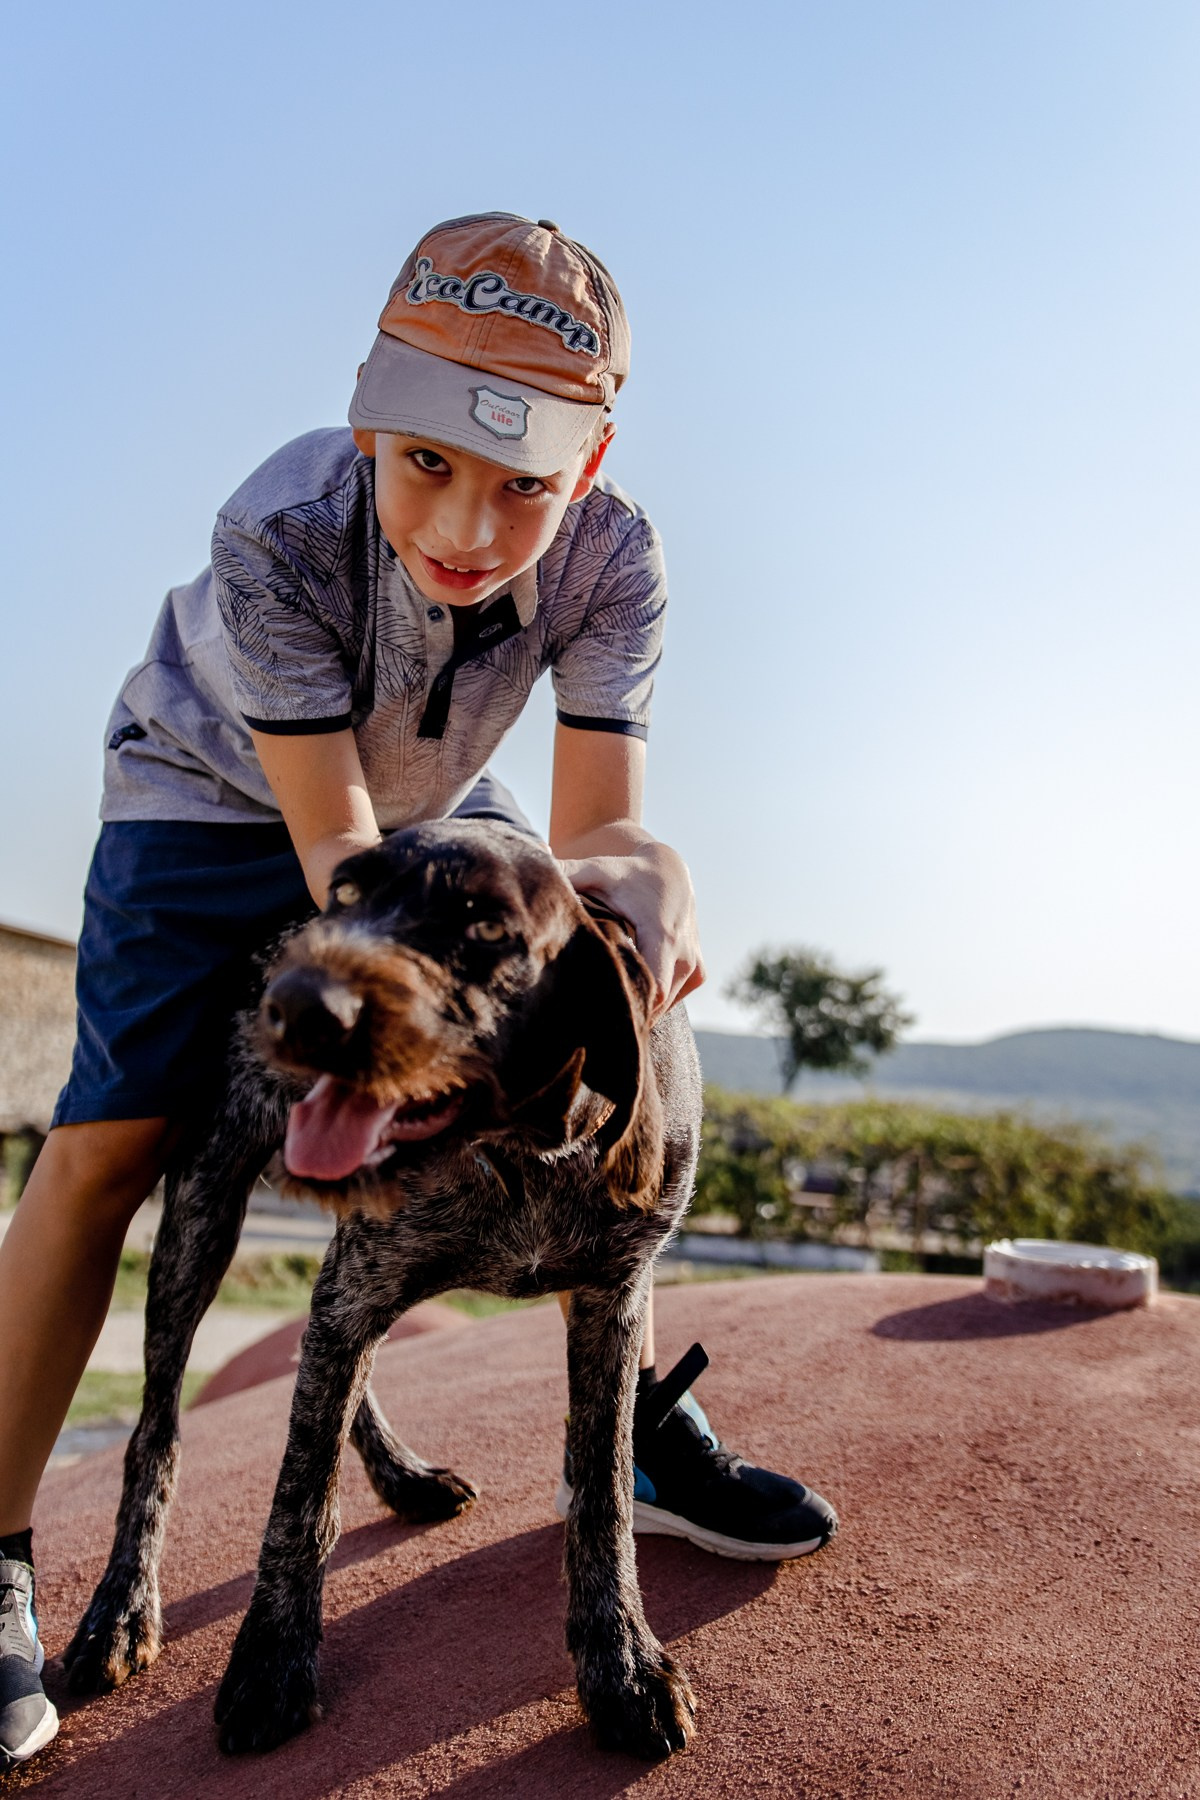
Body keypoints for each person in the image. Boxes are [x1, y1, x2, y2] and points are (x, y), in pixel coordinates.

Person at [0, 213, 837, 1769]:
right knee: (114, 1141)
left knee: (592, 1021)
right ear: (371, 423)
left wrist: (657, 888)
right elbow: (344, 873)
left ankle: (630, 1408)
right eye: (429, 464)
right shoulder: (282, 528)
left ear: (585, 472)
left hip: (440, 803)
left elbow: (592, 832)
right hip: (225, 796)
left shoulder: (616, 558)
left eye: (526, 483)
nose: (470, 523)